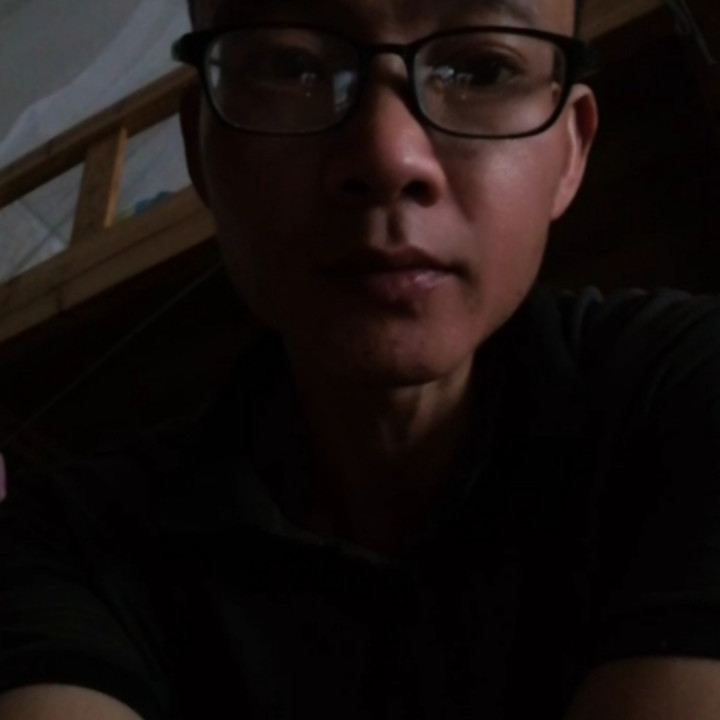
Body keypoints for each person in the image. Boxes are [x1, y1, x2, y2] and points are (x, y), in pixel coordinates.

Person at [3, 0, 720, 717]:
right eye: (292, 66)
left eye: (482, 69)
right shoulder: (65, 540)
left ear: (570, 151)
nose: (387, 155)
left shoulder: (687, 388)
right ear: (201, 148)